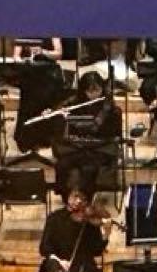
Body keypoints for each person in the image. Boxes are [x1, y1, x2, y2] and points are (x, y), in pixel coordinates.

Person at [51, 70, 122, 198]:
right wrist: (57, 114)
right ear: (83, 90)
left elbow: (115, 134)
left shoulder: (110, 108)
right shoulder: (75, 102)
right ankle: (67, 199)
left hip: (100, 149)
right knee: (62, 165)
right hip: (78, 148)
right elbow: (60, 117)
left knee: (88, 168)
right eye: (89, 91)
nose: (94, 95)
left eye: (97, 90)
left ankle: (86, 202)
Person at [13, 36, 66, 153]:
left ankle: (45, 137)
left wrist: (43, 52)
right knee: (28, 99)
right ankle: (27, 138)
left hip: (48, 71)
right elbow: (16, 56)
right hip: (30, 70)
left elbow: (59, 54)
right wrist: (23, 62)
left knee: (46, 100)